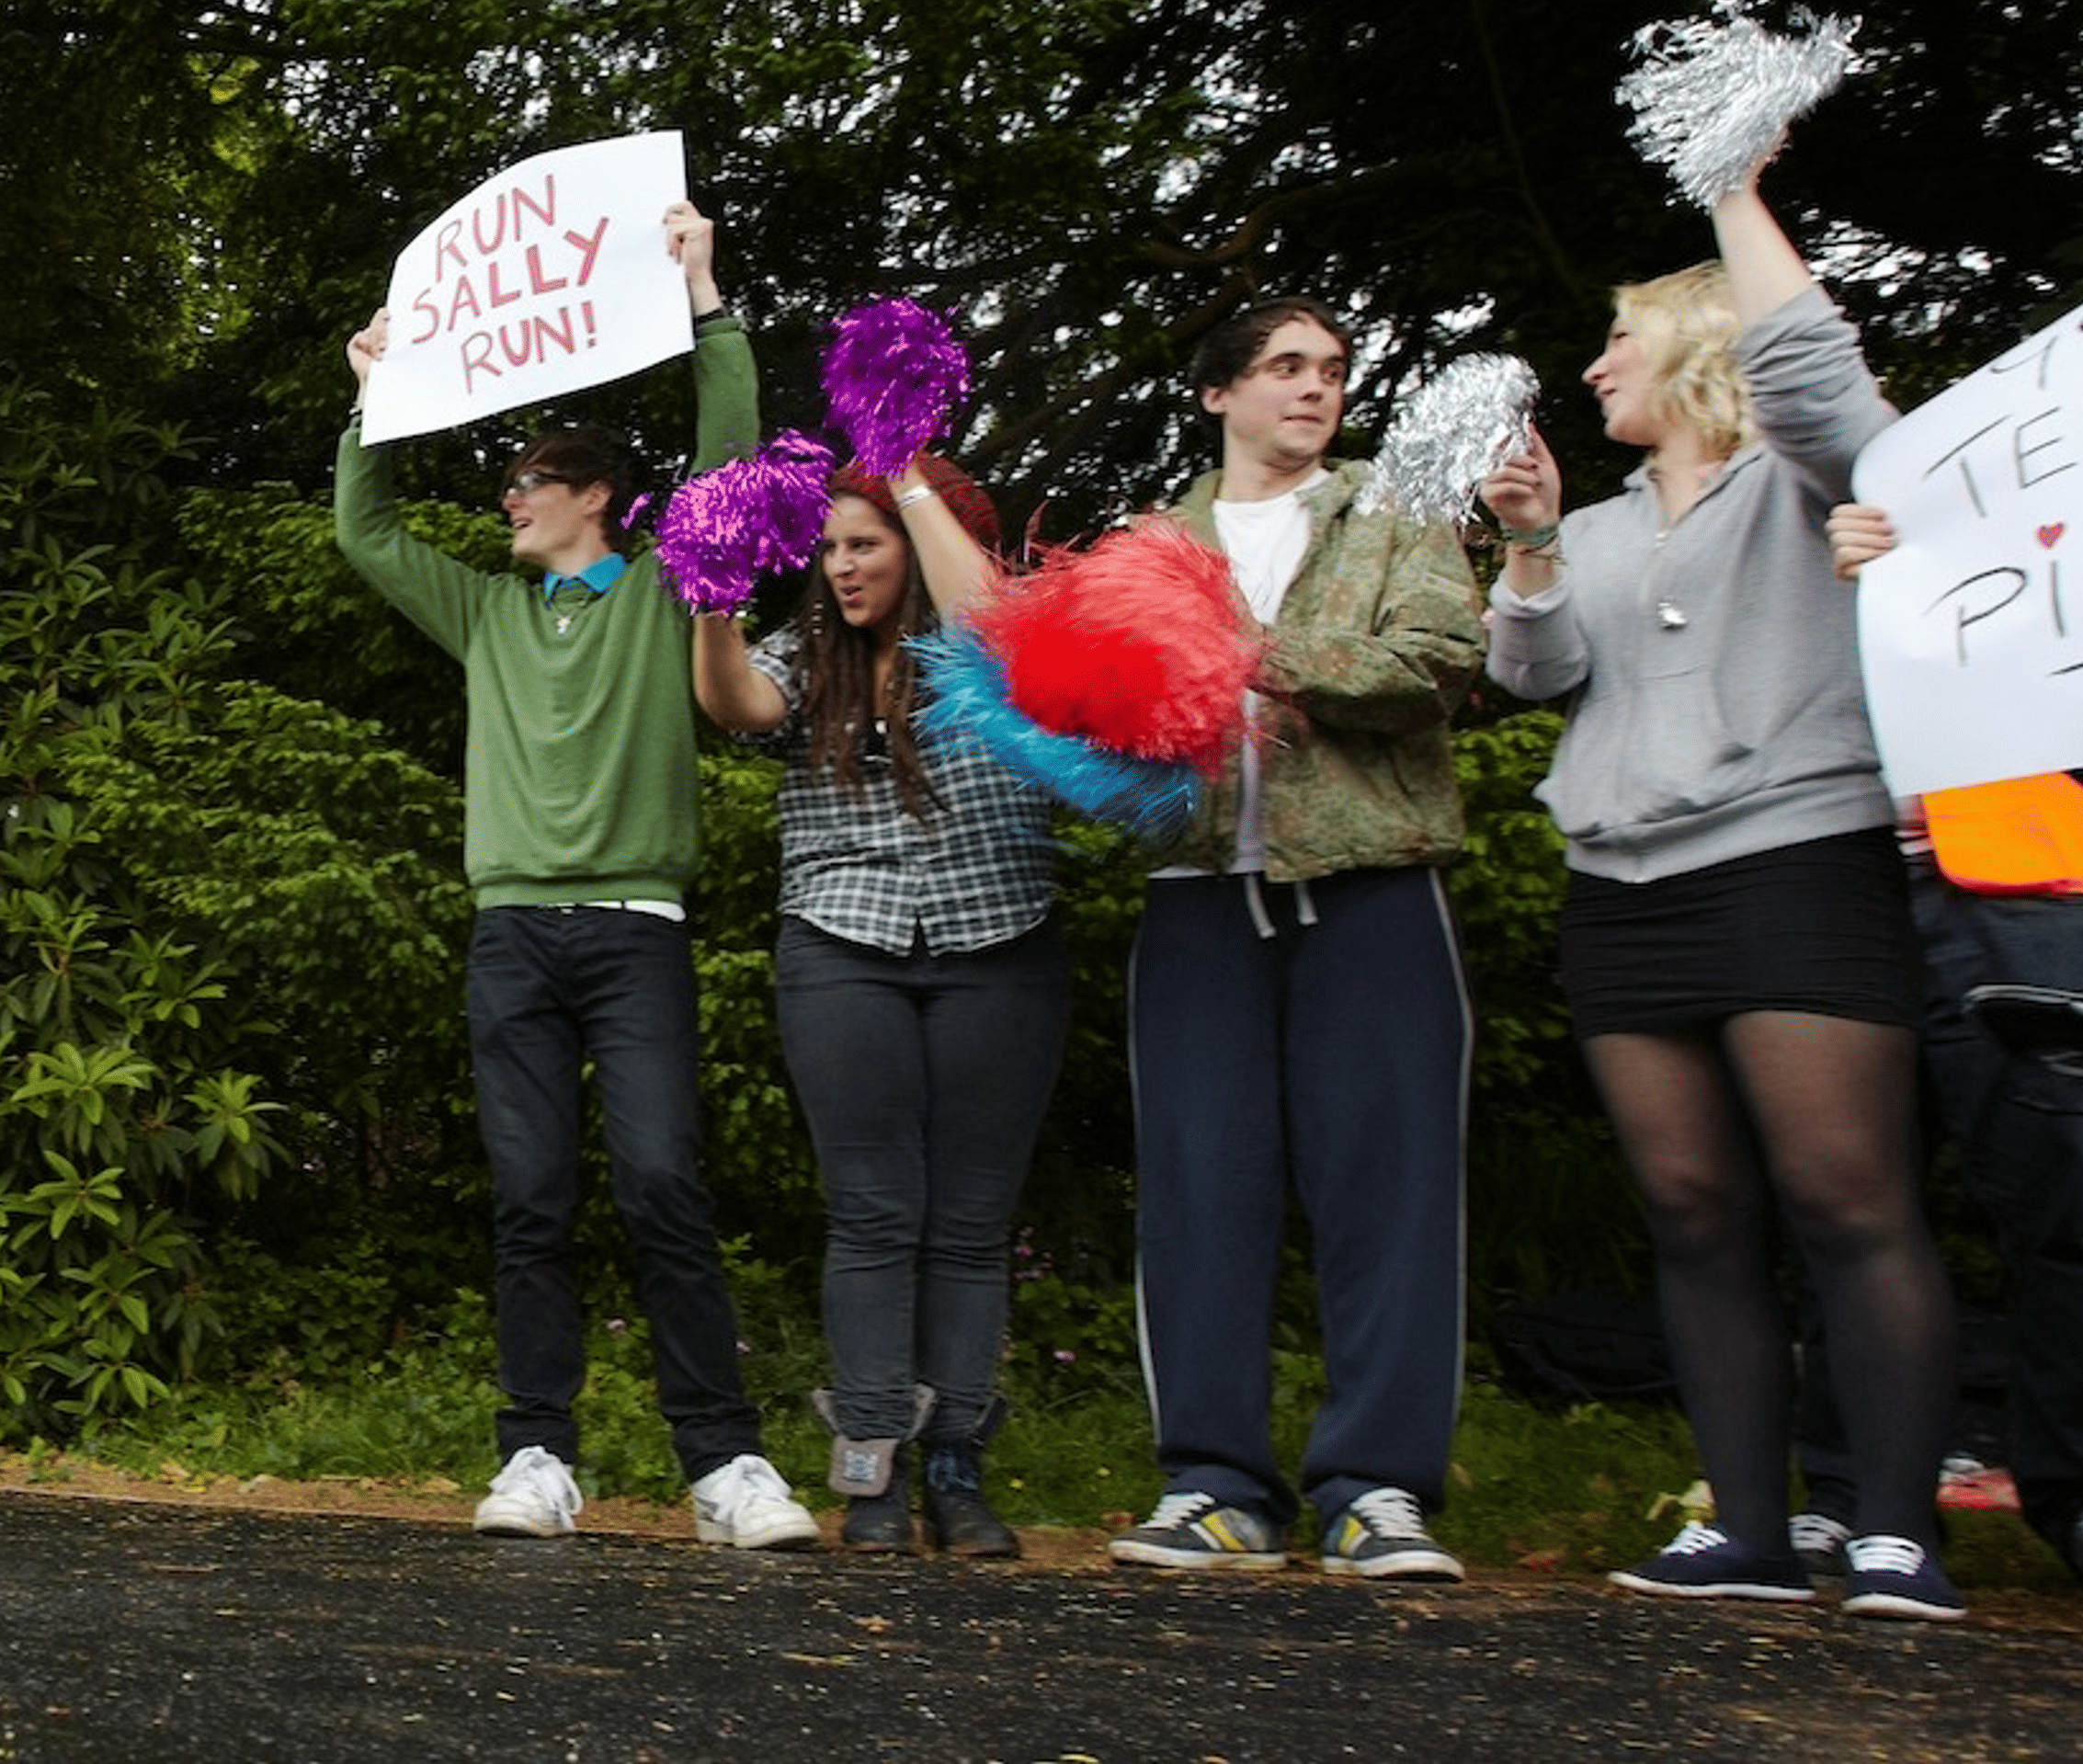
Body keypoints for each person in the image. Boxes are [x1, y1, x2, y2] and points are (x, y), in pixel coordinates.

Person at [1480, 154, 1966, 1622]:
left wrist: (1736, 193)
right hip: (1623, 885)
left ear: (1698, 349)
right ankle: (1748, 1526)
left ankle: (1892, 1530)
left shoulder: (1818, 484)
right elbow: (1536, 676)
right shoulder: (1608, 524)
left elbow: (1819, 388)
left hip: (1792, 864)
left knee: (1844, 1194)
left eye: (1619, 341)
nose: (1593, 364)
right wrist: (1529, 548)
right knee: (1690, 1209)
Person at [335, 201, 818, 1550]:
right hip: (511, 941)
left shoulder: (666, 588)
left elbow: (729, 462)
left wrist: (709, 303)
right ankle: (538, 1454)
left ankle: (725, 1469)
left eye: (531, 481)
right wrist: (370, 404)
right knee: (532, 1197)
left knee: (663, 1182)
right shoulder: (487, 610)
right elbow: (367, 539)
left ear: (595, 495)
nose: (510, 499)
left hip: (634, 933)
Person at [1103, 299, 1480, 1584]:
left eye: (1329, 370)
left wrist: (1270, 661)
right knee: (1203, 1191)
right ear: (1217, 393)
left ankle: (1377, 1488)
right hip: (1202, 893)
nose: (1314, 390)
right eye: (1283, 368)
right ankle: (1214, 1486)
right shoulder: (1152, 544)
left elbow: (1438, 658)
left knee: (1391, 1191)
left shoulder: (1396, 511)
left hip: (1371, 889)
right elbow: (1095, 715)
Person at [1793, 506, 2083, 1604]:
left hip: (2024, 891)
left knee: (2080, 1192)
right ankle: (1849, 1493)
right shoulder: (1742, 530)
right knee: (1839, 1202)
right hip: (1827, 892)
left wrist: (1916, 577)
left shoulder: (2001, 520)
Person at [690, 450, 1063, 1553]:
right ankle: (872, 1474)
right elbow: (737, 703)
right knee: (872, 1211)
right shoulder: (811, 651)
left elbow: (1005, 629)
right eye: (831, 548)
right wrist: (712, 599)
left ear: (918, 537)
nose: (843, 566)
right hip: (844, 944)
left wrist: (900, 471)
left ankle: (957, 1468)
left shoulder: (998, 640)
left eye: (868, 544)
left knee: (969, 1224)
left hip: (1003, 942)